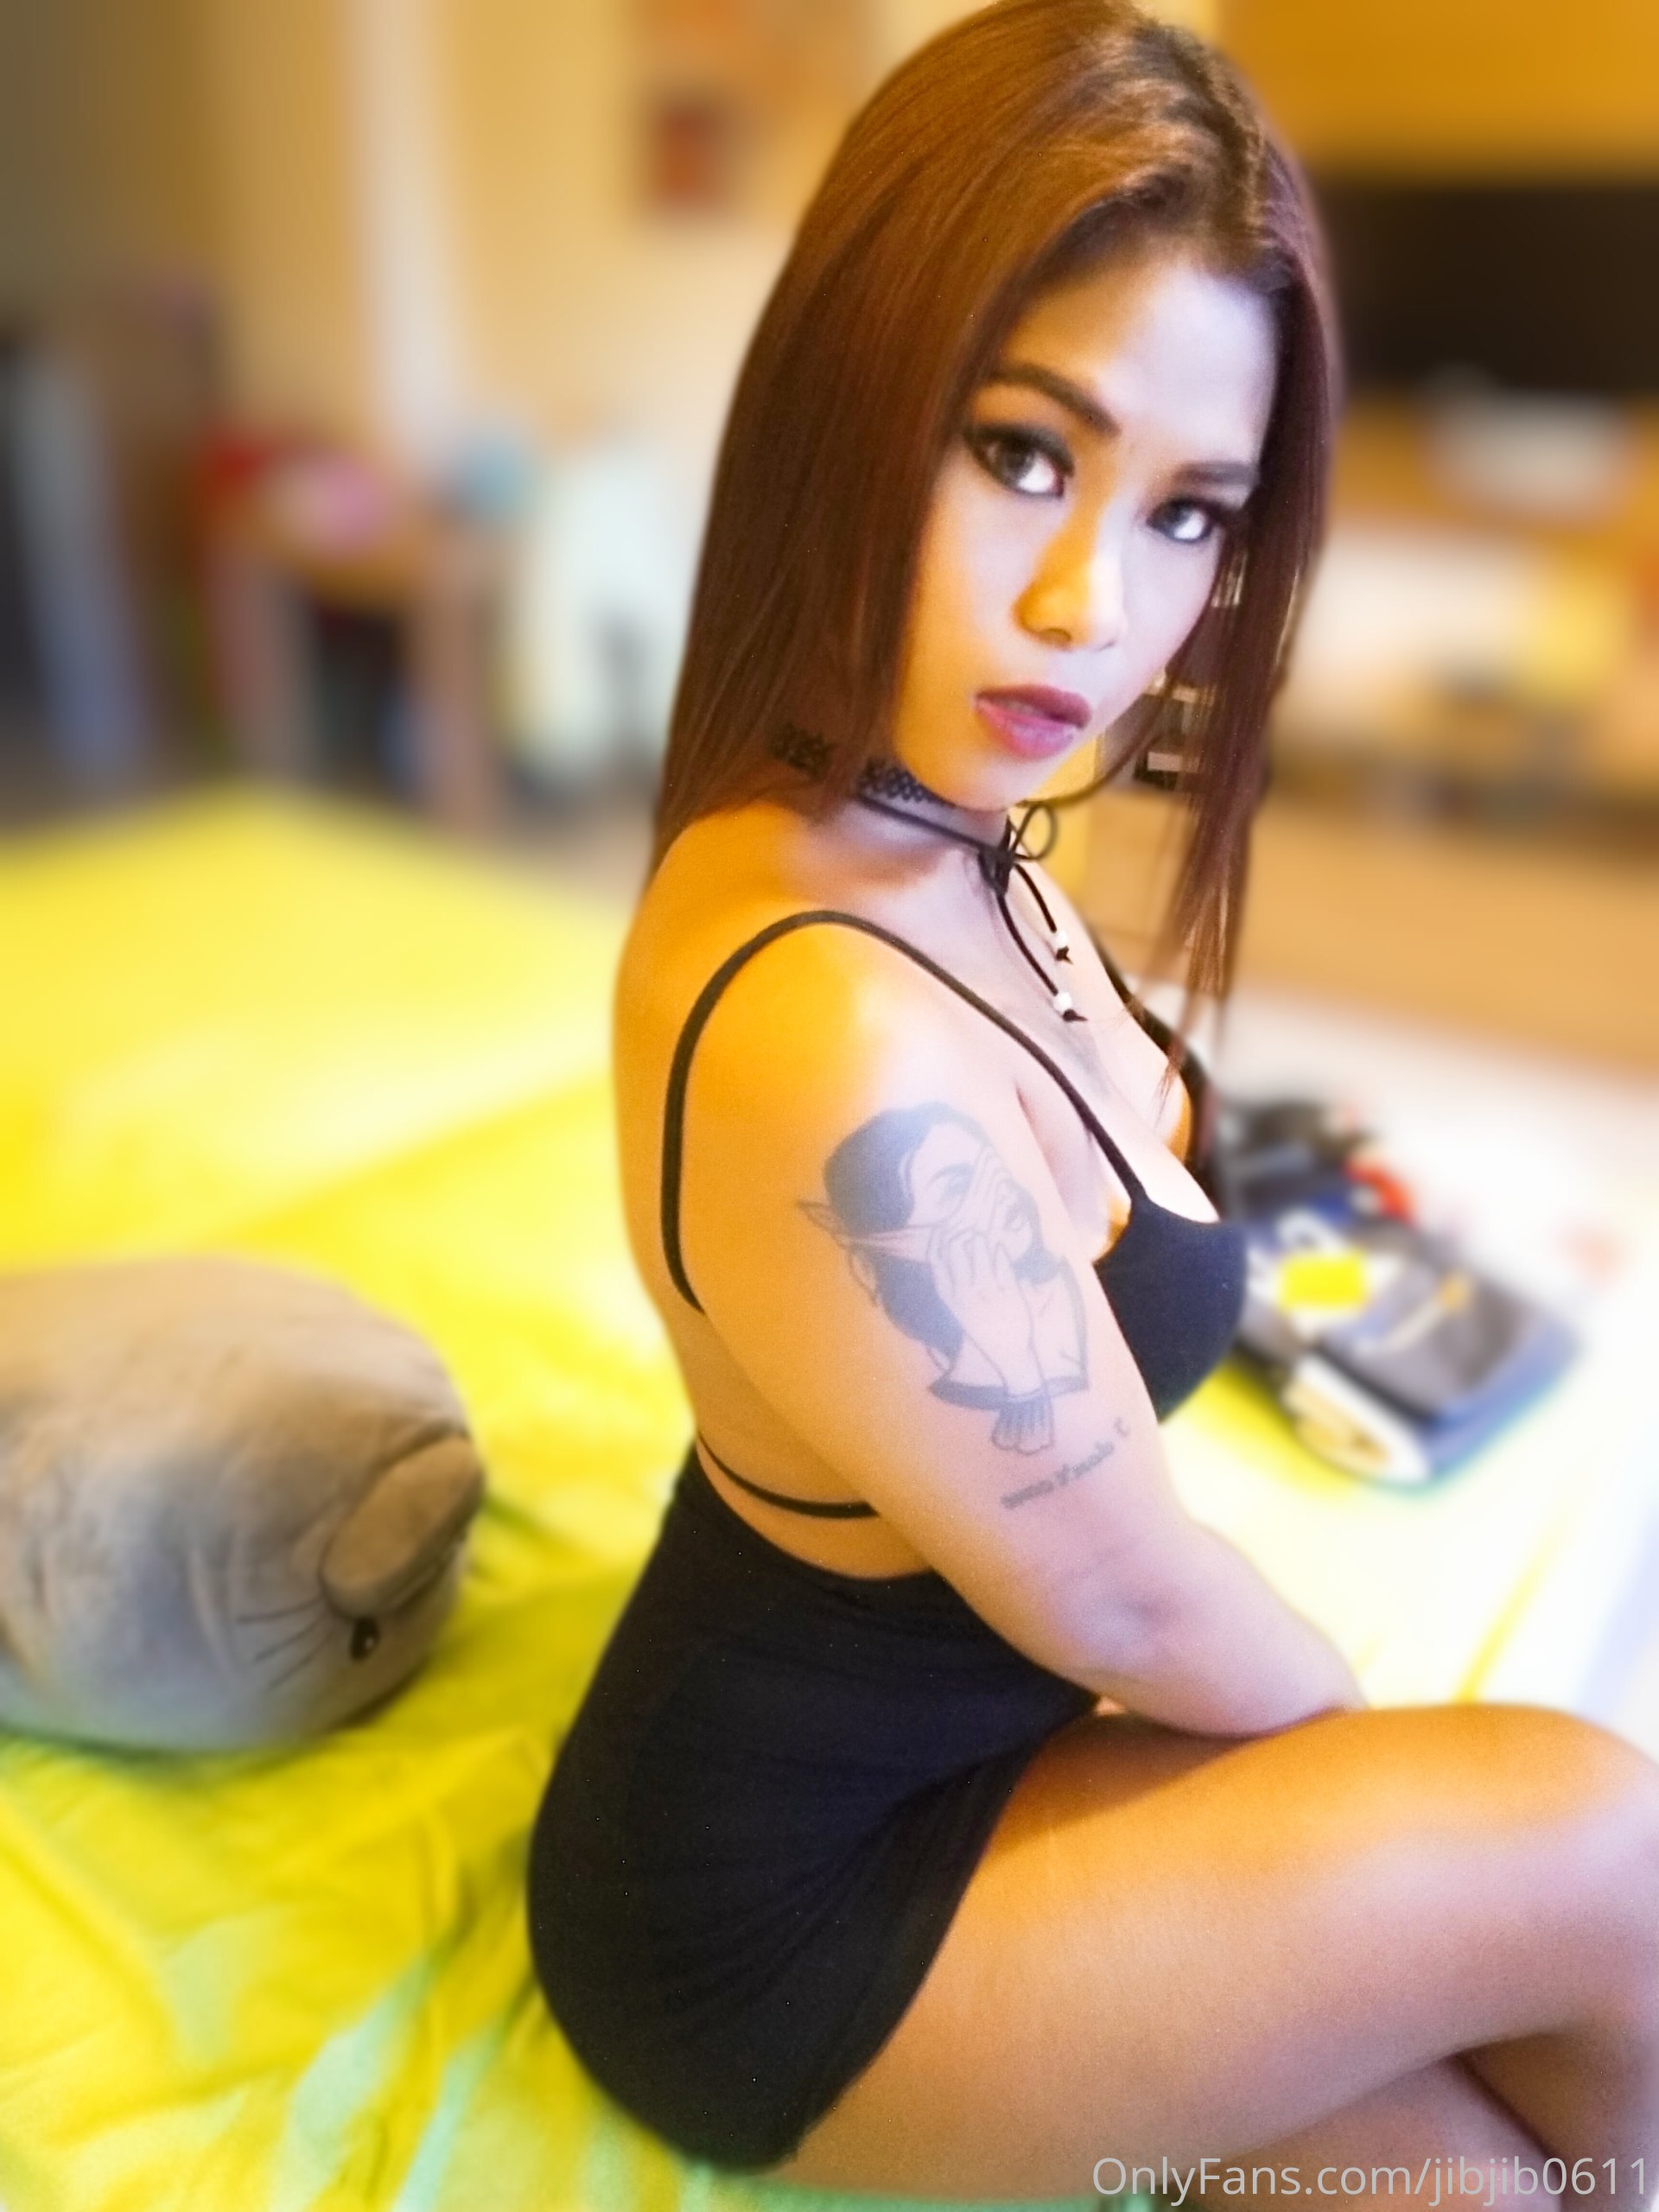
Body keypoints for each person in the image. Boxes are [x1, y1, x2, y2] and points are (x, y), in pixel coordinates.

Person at [526, 2, 1659, 2197]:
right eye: (1024, 453)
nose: (1090, 607)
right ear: (857, 392)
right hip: (781, 1920)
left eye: (1189, 511)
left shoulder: (939, 827)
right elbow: (1135, 1607)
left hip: (995, 1751)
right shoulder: (825, 1020)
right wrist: (1407, 1827)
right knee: (1605, 1847)